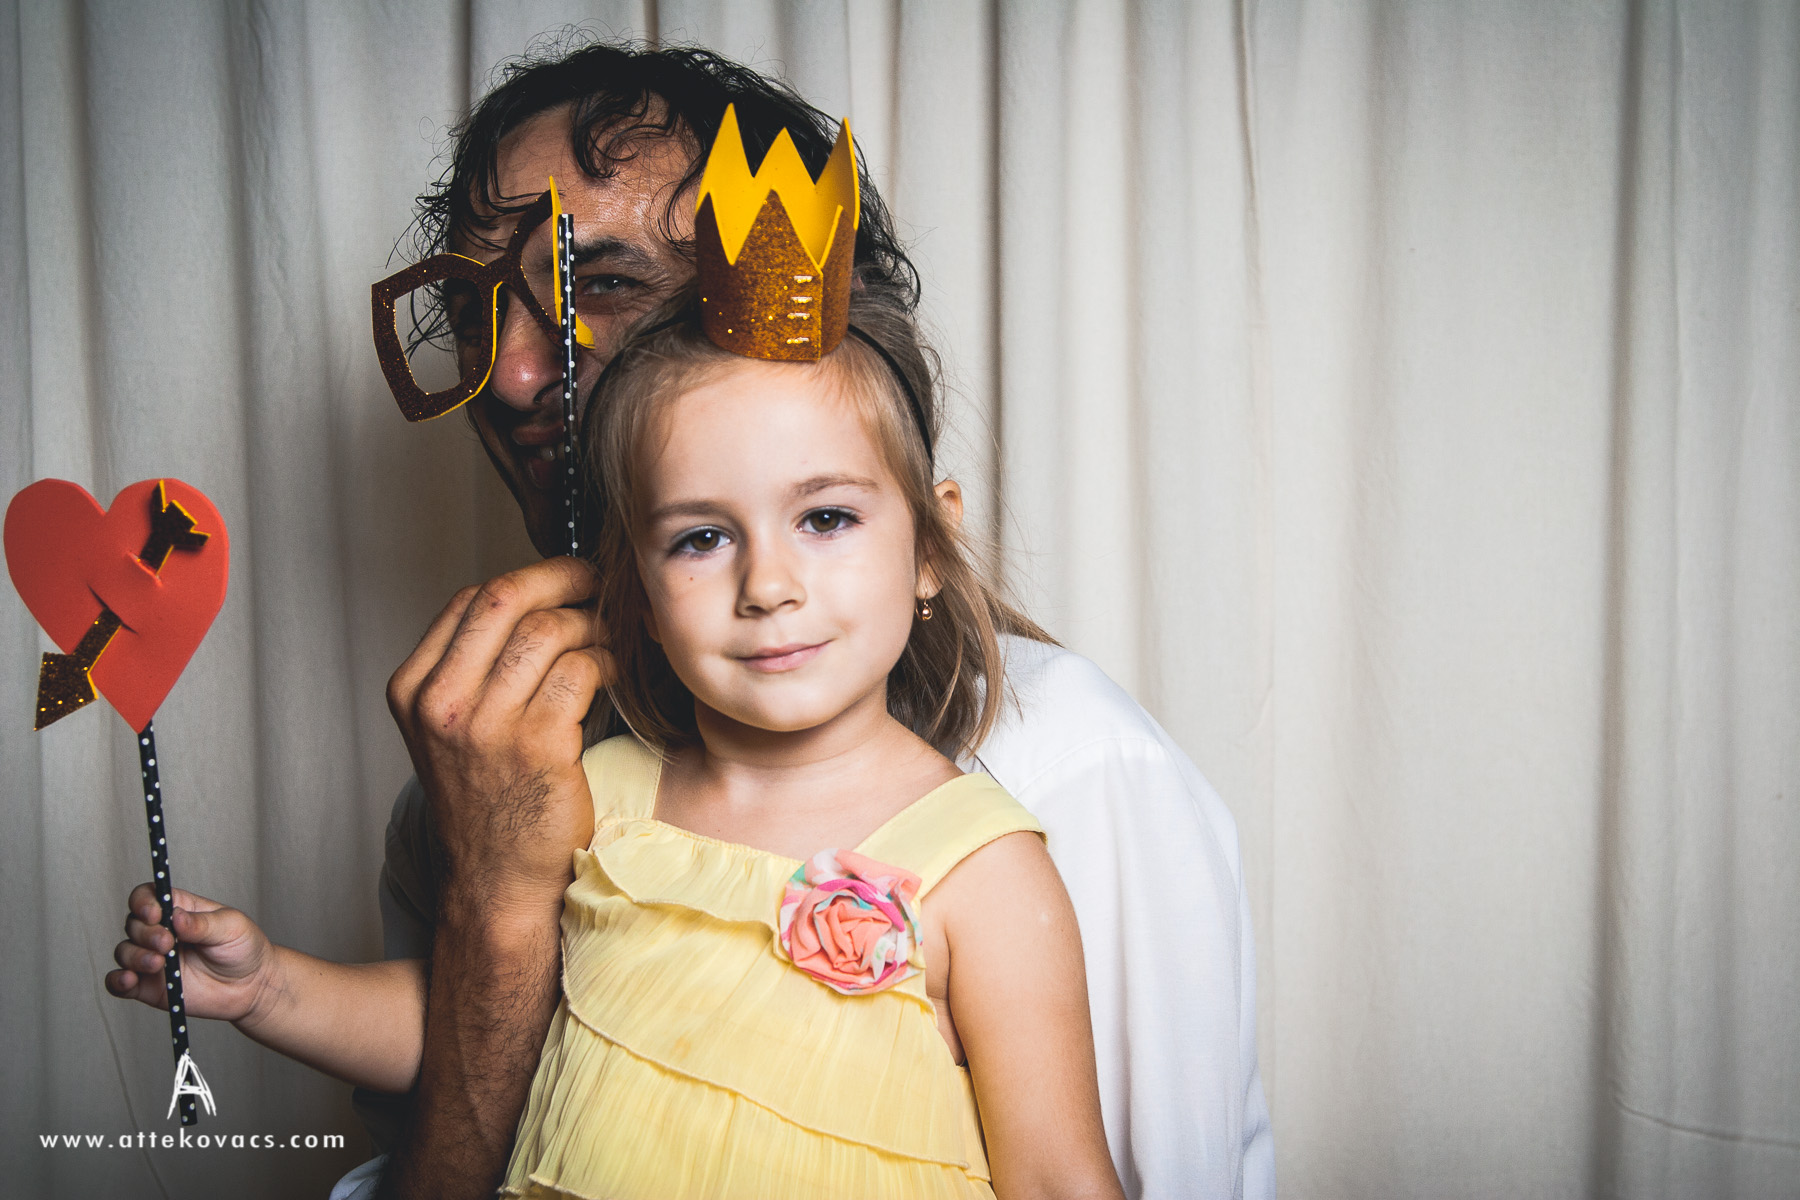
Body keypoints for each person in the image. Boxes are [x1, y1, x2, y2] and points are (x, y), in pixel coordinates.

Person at [108, 40, 1272, 1200]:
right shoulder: (499, 774)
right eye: (474, 312)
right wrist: (468, 921)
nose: (513, 374)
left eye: (598, 288)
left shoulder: (1059, 768)